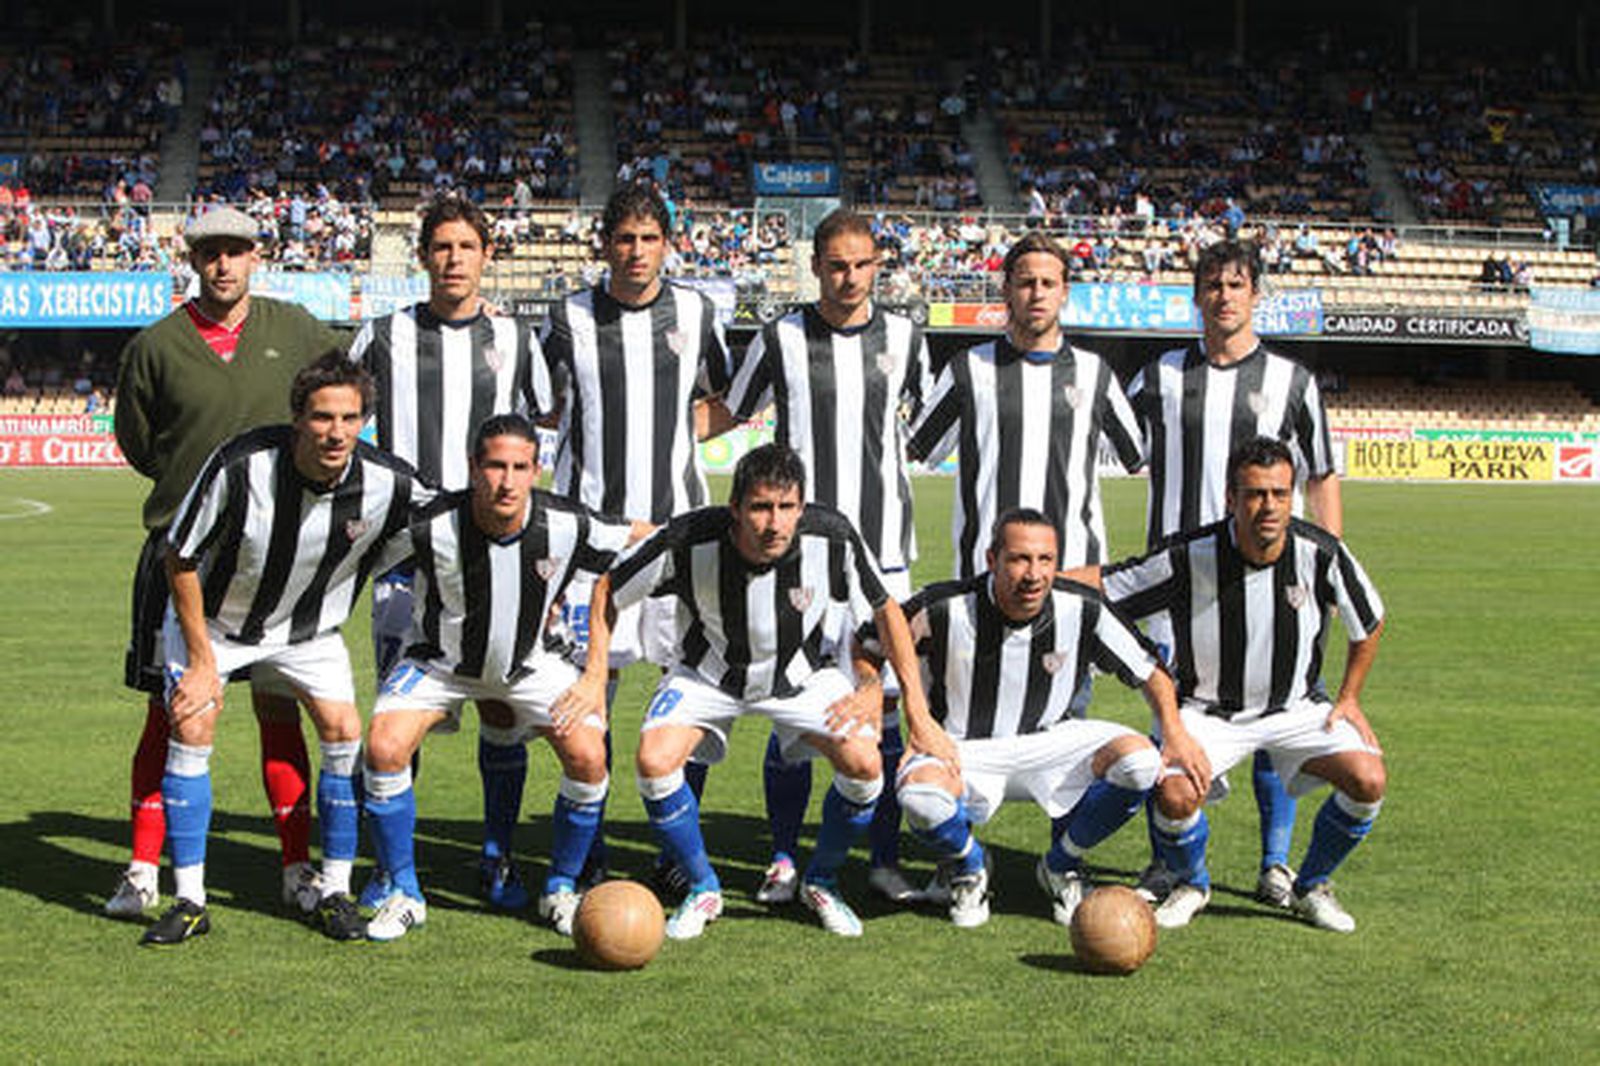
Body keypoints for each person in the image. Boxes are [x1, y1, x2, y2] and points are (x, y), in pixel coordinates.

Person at [559, 444, 953, 940]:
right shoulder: (687, 538)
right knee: (654, 761)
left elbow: (886, 610)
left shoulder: (832, 536)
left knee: (864, 764)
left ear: (802, 507)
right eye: (761, 507)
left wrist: (906, 703)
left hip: (802, 677)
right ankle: (703, 887)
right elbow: (608, 589)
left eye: (787, 507)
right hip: (706, 675)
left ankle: (821, 882)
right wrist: (594, 676)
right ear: (735, 508)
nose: (774, 523)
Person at [140, 353, 429, 945]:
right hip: (217, 625)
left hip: (308, 632)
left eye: (349, 418)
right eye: (322, 417)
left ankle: (334, 891)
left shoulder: (390, 482)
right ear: (298, 418)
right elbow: (180, 555)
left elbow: (457, 524)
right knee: (193, 723)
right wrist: (201, 662)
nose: (336, 432)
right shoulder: (241, 464)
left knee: (344, 731)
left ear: (364, 421)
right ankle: (190, 901)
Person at [109, 205, 346, 921]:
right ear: (192, 260)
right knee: (170, 712)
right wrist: (195, 496)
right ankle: (143, 872)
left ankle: (296, 869)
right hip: (180, 555)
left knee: (280, 712)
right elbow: (138, 441)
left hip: (276, 558)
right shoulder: (156, 346)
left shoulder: (296, 329)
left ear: (255, 256)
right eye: (210, 252)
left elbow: (346, 385)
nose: (223, 264)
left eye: (235, 251)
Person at [712, 207, 933, 905]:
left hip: (883, 556)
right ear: (815, 267)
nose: (849, 277)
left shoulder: (906, 337)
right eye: (836, 265)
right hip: (798, 557)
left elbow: (919, 423)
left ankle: (883, 859)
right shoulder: (779, 337)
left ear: (878, 266)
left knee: (884, 709)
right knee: (792, 713)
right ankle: (783, 858)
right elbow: (731, 410)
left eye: (862, 265)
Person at [361, 414, 648, 942]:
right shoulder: (427, 525)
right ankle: (404, 891)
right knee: (383, 746)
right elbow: (353, 553)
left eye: (520, 467)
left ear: (537, 470)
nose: (507, 481)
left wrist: (594, 674)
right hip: (439, 665)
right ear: (473, 467)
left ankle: (560, 887)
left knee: (588, 755)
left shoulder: (565, 522)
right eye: (495, 466)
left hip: (530, 666)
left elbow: (645, 541)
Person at [347, 195, 552, 913]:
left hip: (494, 555)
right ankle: (389, 866)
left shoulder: (516, 338)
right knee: (397, 716)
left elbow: (544, 424)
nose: (454, 259)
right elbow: (342, 420)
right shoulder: (382, 336)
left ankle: (496, 855)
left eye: (467, 246)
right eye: (441, 246)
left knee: (500, 706)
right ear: (423, 255)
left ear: (486, 255)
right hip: (406, 557)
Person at [1125, 238, 1341, 910]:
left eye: (1237, 284)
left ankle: (1276, 864)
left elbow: (1321, 476)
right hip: (1177, 584)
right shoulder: (1158, 375)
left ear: (1256, 294)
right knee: (1172, 723)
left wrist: (1329, 567)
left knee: (1277, 714)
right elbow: (1108, 443)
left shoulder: (1292, 381)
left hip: (1273, 580)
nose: (1224, 296)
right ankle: (1172, 863)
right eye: (1213, 285)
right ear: (1196, 296)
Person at [862, 509, 1208, 928]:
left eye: (1046, 560)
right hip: (962, 750)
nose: (1034, 574)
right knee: (920, 798)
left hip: (1051, 744)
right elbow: (869, 642)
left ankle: (1061, 864)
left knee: (1141, 762)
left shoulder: (1082, 607)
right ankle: (970, 865)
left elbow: (1150, 670)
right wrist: (875, 693)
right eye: (1020, 559)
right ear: (992, 559)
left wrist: (1173, 731)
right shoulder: (943, 607)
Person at [1104, 437, 1387, 933]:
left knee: (1368, 779)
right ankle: (1193, 883)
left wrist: (1349, 697)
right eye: (1255, 494)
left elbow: (1370, 620)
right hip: (1208, 712)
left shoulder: (1320, 552)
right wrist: (1041, 578)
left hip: (1297, 709)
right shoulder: (1191, 555)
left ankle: (1311, 886)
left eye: (1280, 493)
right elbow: (1108, 588)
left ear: (1293, 496)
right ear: (1231, 499)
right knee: (1173, 793)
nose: (1269, 506)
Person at [539, 183, 732, 882]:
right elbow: (543, 406)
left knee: (689, 686)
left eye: (650, 238)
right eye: (624, 238)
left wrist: (672, 436)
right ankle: (588, 848)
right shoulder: (566, 317)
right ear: (605, 244)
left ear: (668, 244)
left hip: (679, 537)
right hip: (593, 543)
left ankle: (677, 853)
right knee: (591, 695)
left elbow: (726, 400)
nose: (637, 252)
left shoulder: (697, 311)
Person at [906, 231, 1144, 584]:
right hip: (986, 577)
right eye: (1026, 283)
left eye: (1048, 283)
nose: (1037, 293)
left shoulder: (1095, 374)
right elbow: (918, 449)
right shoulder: (967, 369)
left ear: (1064, 292)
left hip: (1072, 574)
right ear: (1006, 290)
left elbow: (1135, 456)